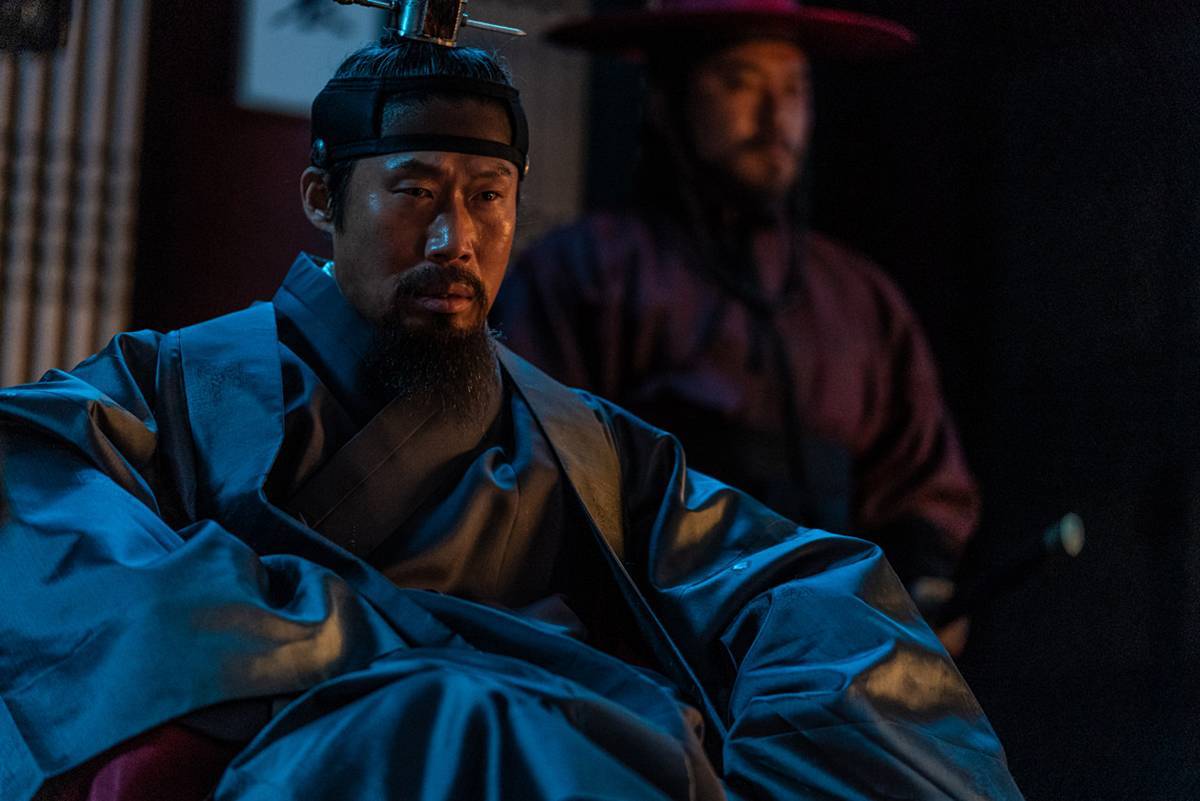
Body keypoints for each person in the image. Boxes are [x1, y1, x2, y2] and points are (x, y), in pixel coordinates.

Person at [0, 20, 1020, 801]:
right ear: (321, 199)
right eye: (414, 192)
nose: (456, 239)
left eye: (488, 197)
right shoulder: (182, 380)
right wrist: (356, 656)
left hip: (574, 752)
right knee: (456, 725)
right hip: (304, 757)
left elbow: (783, 581)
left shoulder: (583, 442)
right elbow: (35, 492)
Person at [492, 0, 979, 626]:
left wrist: (921, 589)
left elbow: (920, 483)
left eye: (795, 90)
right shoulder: (583, 271)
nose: (776, 118)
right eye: (741, 84)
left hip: (828, 644)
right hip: (644, 639)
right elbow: (534, 471)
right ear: (667, 100)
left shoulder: (859, 296)